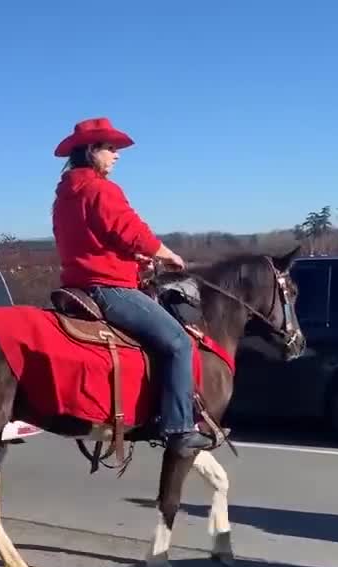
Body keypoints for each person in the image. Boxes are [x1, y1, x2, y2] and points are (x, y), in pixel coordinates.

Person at [50, 118, 214, 457]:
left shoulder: (65, 195)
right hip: (108, 288)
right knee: (179, 342)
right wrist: (166, 254)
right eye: (110, 149)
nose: (116, 156)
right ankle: (179, 427)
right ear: (92, 151)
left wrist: (135, 259)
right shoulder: (101, 190)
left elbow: (96, 240)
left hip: (78, 285)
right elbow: (130, 229)